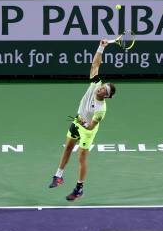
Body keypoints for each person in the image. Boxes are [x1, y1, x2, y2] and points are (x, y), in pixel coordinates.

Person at [48, 39, 116, 201]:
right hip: (77, 122)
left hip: (86, 131)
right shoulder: (95, 83)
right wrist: (101, 47)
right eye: (103, 86)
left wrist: (82, 123)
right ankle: (58, 176)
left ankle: (79, 188)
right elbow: (95, 65)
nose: (101, 88)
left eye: (104, 90)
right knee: (67, 147)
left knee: (81, 157)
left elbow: (91, 127)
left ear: (106, 96)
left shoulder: (101, 110)